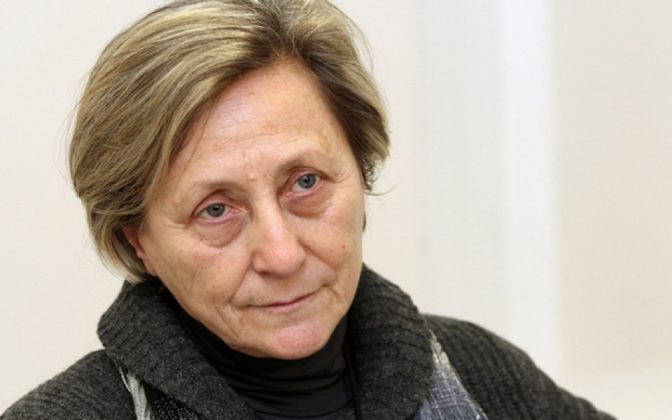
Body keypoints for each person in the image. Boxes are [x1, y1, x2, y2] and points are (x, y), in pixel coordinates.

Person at [3, 0, 614, 419]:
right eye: (215, 210)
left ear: (361, 171)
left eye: (304, 182)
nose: (282, 254)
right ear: (138, 242)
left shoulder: (483, 376)